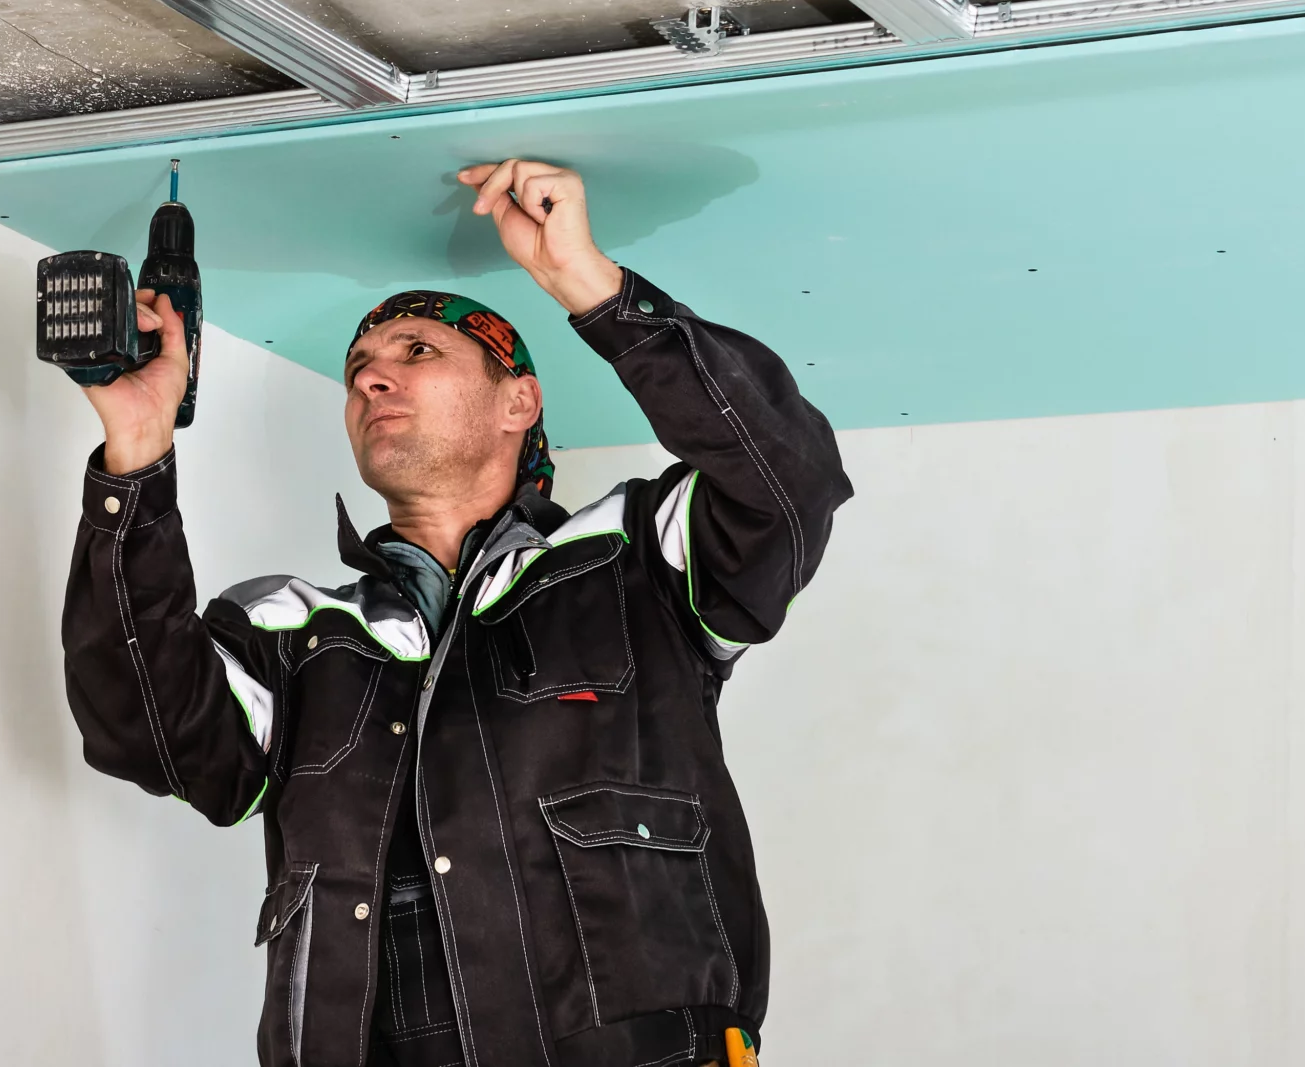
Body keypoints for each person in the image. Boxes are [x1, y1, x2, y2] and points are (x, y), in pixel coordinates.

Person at [61, 157, 851, 1067]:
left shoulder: (636, 563)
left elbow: (790, 483)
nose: (371, 381)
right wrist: (136, 456)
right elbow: (142, 731)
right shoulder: (294, 635)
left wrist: (587, 283)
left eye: (417, 353)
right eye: (358, 368)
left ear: (519, 400)